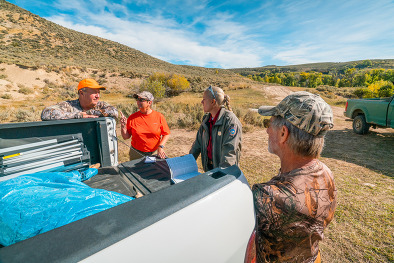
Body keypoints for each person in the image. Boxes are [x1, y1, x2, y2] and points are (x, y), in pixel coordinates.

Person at [252, 91, 337, 263]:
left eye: (269, 123)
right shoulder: (327, 174)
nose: (267, 130)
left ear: (283, 134)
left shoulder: (267, 196)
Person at [190, 85, 242, 172]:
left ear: (213, 102)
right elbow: (197, 145)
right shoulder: (206, 120)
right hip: (209, 169)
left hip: (224, 172)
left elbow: (229, 153)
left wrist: (221, 174)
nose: (201, 102)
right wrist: (187, 163)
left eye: (204, 99)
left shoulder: (230, 121)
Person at [120, 91, 170, 160]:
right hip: (136, 153)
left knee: (154, 170)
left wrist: (160, 147)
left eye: (141, 100)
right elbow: (126, 137)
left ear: (149, 102)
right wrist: (123, 126)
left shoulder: (159, 116)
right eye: (137, 99)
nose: (138, 102)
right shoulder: (132, 118)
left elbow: (166, 134)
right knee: (135, 171)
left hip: (154, 153)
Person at [41, 78, 118, 120]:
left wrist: (89, 113)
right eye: (94, 92)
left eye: (99, 92)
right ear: (81, 93)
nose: (98, 96)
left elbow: (114, 112)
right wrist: (78, 115)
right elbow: (46, 113)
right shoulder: (68, 105)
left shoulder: (101, 105)